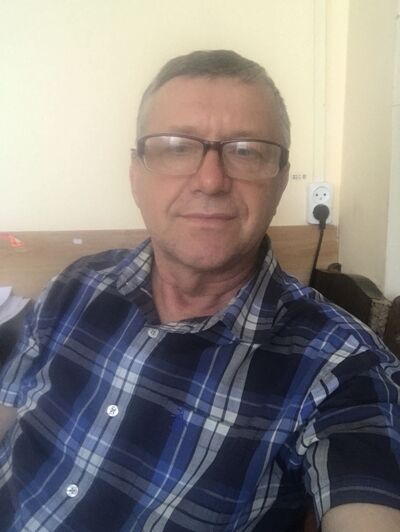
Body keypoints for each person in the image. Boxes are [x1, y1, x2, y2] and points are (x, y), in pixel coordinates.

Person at [0, 50, 400, 532]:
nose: (211, 181)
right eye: (176, 147)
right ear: (135, 174)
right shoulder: (76, 283)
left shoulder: (344, 368)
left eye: (246, 151)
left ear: (279, 182)